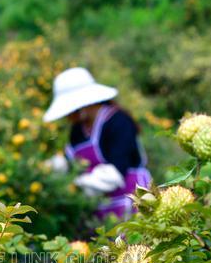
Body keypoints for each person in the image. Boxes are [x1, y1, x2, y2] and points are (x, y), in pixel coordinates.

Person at [43, 67, 152, 222]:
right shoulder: (77, 131)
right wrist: (46, 170)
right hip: (102, 207)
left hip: (134, 200)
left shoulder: (118, 122)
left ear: (82, 105)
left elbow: (116, 171)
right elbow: (71, 162)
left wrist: (75, 186)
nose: (67, 117)